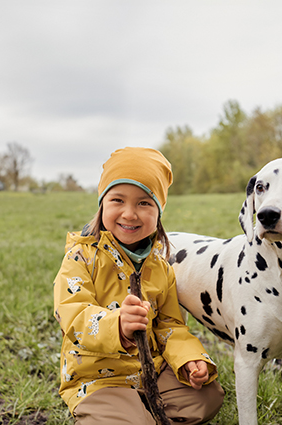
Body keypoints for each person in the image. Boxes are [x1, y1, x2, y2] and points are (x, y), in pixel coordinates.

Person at [53, 147, 224, 424]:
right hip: (99, 378)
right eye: (118, 200)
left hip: (151, 371)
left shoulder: (160, 266)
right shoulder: (81, 258)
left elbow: (170, 325)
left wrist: (190, 358)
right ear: (102, 204)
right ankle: (119, 411)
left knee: (208, 396)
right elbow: (73, 315)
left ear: (158, 211)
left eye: (144, 203)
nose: (129, 214)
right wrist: (117, 325)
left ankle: (138, 409)